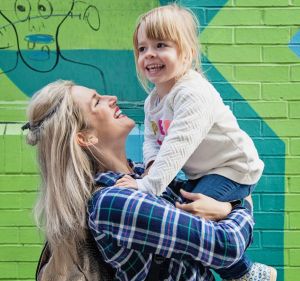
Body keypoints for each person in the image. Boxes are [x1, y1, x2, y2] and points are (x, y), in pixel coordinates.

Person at [23, 80, 255, 281]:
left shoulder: (143, 175)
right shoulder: (113, 202)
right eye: (96, 102)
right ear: (85, 137)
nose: (111, 98)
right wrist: (236, 207)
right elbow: (226, 246)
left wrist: (226, 209)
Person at [115, 4, 277, 281]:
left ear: (187, 53)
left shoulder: (193, 93)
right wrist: (152, 167)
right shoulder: (153, 100)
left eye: (161, 45)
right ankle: (245, 267)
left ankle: (246, 273)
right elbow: (153, 140)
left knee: (194, 221)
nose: (149, 54)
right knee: (186, 215)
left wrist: (147, 185)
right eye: (142, 48)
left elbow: (177, 145)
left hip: (232, 168)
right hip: (205, 171)